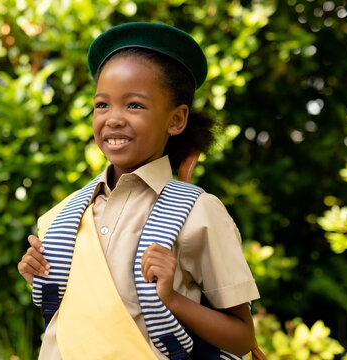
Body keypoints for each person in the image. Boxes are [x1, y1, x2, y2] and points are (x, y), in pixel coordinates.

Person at [18, 22, 261, 360]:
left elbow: (241, 338)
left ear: (176, 120)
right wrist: (40, 277)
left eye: (134, 105)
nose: (114, 119)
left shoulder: (197, 212)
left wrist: (173, 301)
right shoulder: (66, 216)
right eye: (102, 105)